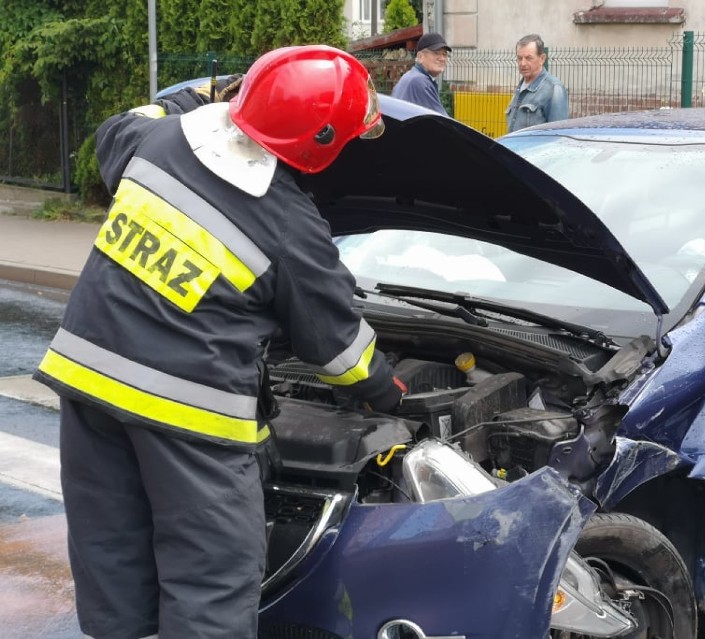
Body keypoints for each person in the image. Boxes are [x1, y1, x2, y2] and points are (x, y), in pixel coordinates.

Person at [33, 45, 405, 639]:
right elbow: (340, 353)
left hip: (87, 390)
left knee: (114, 561)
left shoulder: (154, 144)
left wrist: (191, 99)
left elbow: (119, 128)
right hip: (190, 422)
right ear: (321, 142)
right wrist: (389, 391)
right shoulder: (289, 223)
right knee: (210, 583)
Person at [505, 34, 569, 133]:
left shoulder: (553, 89)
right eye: (519, 58)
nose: (523, 63)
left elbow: (558, 135)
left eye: (528, 58)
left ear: (542, 59)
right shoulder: (520, 88)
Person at [391, 32, 452, 114]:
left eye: (444, 54)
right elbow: (442, 121)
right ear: (420, 57)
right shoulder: (419, 81)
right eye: (436, 53)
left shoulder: (411, 76)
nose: (442, 58)